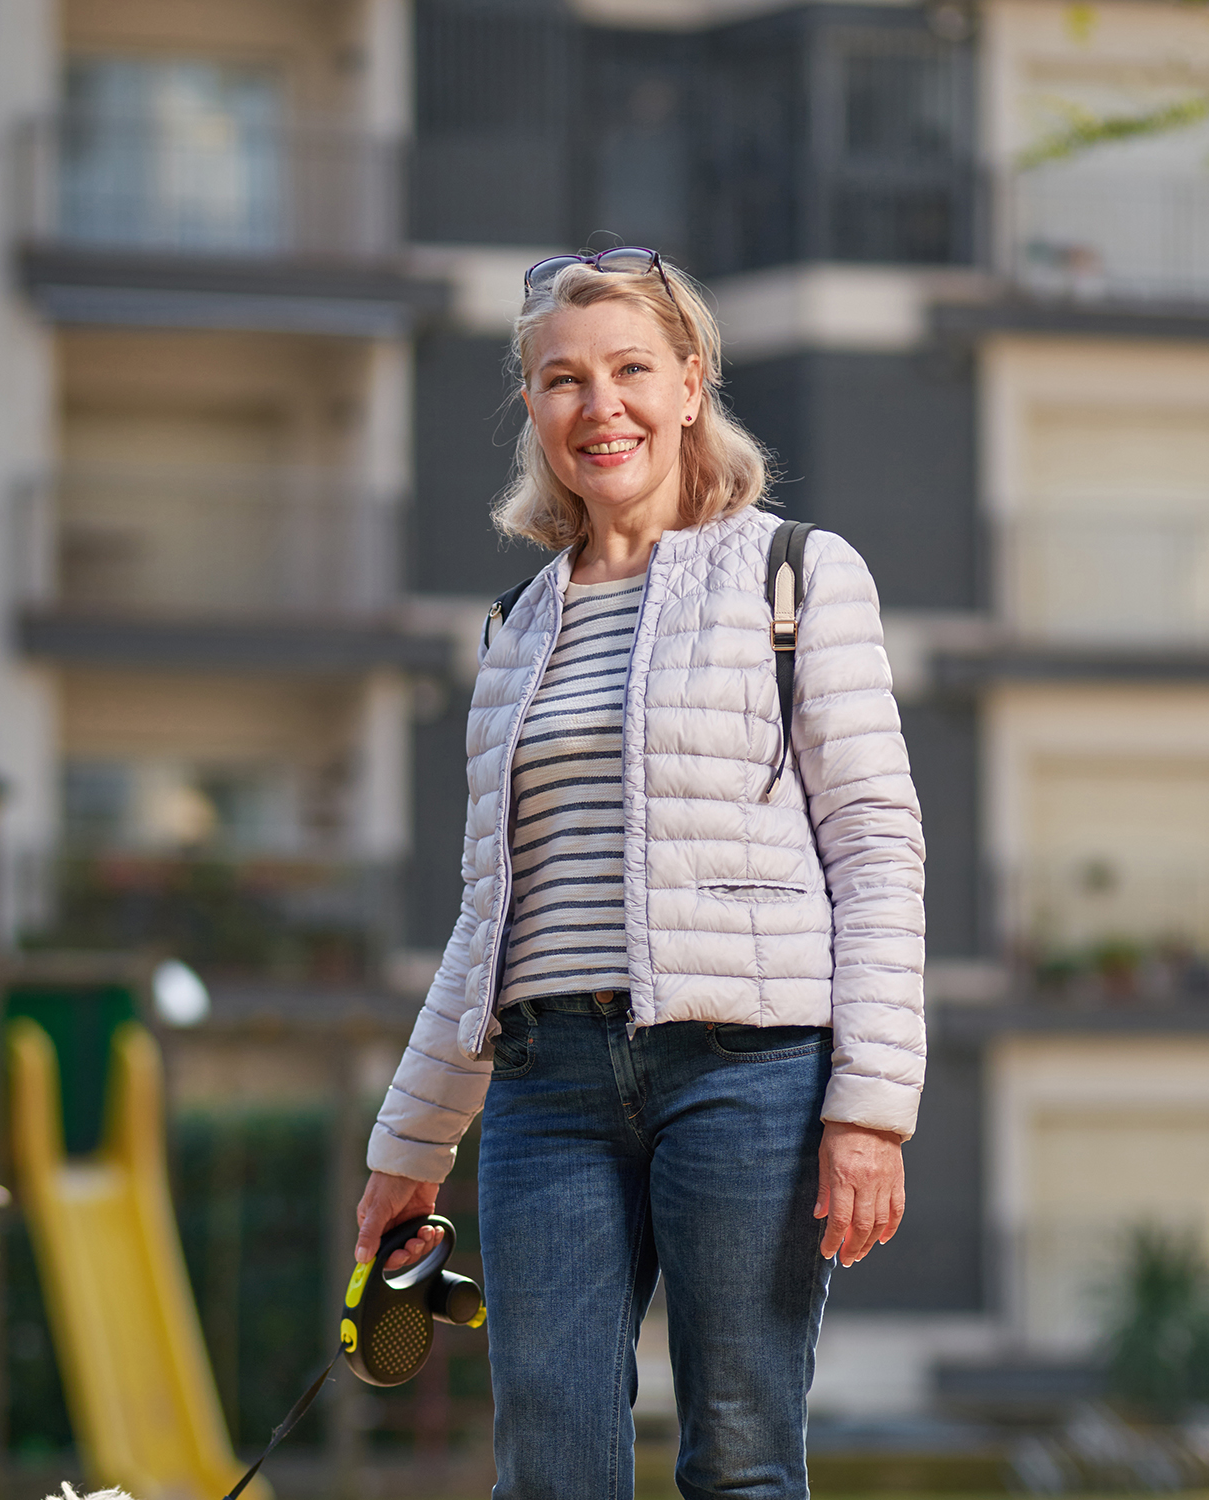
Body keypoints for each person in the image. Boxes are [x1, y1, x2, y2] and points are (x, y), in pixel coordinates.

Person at [355, 248, 925, 1500]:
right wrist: (410, 1145)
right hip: (544, 1087)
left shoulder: (795, 574)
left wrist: (871, 1106)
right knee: (548, 1472)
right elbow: (487, 914)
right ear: (534, 413)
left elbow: (878, 849)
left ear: (688, 386)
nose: (597, 404)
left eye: (628, 370)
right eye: (562, 380)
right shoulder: (513, 629)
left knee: (740, 1461)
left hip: (750, 1075)